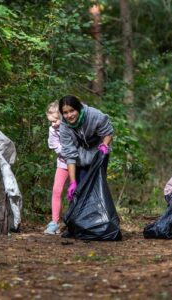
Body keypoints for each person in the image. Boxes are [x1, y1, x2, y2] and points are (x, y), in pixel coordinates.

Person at [58, 95, 113, 201]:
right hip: (80, 157)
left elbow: (108, 131)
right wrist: (72, 182)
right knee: (81, 188)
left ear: (78, 108)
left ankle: (99, 215)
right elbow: (69, 154)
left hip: (98, 152)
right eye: (65, 112)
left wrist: (104, 145)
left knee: (97, 186)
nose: (69, 115)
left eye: (72, 110)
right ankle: (82, 216)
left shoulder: (94, 115)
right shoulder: (64, 127)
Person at [44, 101, 69, 235]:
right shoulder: (52, 129)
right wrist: (67, 151)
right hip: (63, 163)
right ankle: (54, 222)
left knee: (75, 192)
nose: (53, 124)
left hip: (78, 164)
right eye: (51, 122)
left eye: (55, 121)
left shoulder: (71, 126)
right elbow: (54, 145)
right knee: (57, 190)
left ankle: (72, 221)